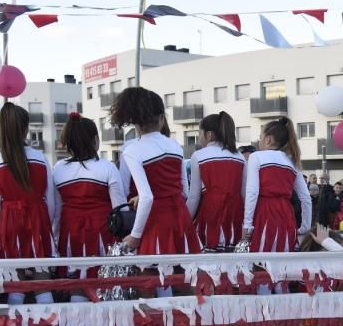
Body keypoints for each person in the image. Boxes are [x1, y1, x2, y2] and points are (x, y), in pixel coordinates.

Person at [0, 103, 57, 306]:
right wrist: (46, 224)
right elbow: (50, 200)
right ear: (25, 129)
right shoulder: (40, 157)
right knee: (42, 277)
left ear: (0, 129)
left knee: (16, 280)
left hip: (9, 221)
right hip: (38, 217)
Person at [114, 87, 199, 256]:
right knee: (185, 275)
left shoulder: (132, 150)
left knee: (152, 276)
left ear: (136, 123)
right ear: (161, 118)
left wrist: (135, 236)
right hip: (180, 217)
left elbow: (147, 197)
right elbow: (184, 190)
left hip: (155, 220)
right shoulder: (175, 146)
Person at [52, 113, 126, 297]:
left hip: (70, 231)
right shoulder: (107, 167)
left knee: (76, 281)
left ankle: (76, 323)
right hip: (102, 231)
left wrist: (55, 238)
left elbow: (56, 209)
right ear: (95, 140)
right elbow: (120, 208)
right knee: (103, 282)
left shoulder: (58, 168)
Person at [243, 117, 311, 253]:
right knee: (285, 264)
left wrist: (247, 224)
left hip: (264, 213)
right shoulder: (292, 161)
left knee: (261, 263)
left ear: (268, 139)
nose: (259, 140)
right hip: (287, 215)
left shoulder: (257, 157)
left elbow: (252, 192)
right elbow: (306, 198)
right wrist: (305, 226)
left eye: (260, 136)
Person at [186, 111, 245, 252]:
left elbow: (194, 196)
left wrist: (185, 220)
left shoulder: (199, 155)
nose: (199, 138)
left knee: (210, 259)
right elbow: (244, 193)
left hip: (211, 211)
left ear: (209, 135)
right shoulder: (239, 156)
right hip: (236, 212)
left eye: (200, 134)